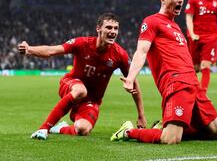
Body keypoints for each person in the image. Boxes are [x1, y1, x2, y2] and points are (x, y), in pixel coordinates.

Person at [110, 0, 217, 144]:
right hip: (176, 82)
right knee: (170, 140)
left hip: (193, 84)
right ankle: (128, 132)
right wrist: (130, 78)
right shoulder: (152, 21)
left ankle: (166, 128)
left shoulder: (176, 27)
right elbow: (141, 51)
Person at [18, 12, 147, 140]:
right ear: (98, 29)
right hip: (70, 83)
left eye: (116, 28)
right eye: (108, 27)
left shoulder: (120, 55)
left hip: (92, 100)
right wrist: (30, 49)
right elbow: (52, 50)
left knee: (82, 129)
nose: (113, 31)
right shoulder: (82, 43)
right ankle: (43, 128)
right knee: (80, 90)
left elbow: (133, 82)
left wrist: (141, 115)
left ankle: (60, 128)